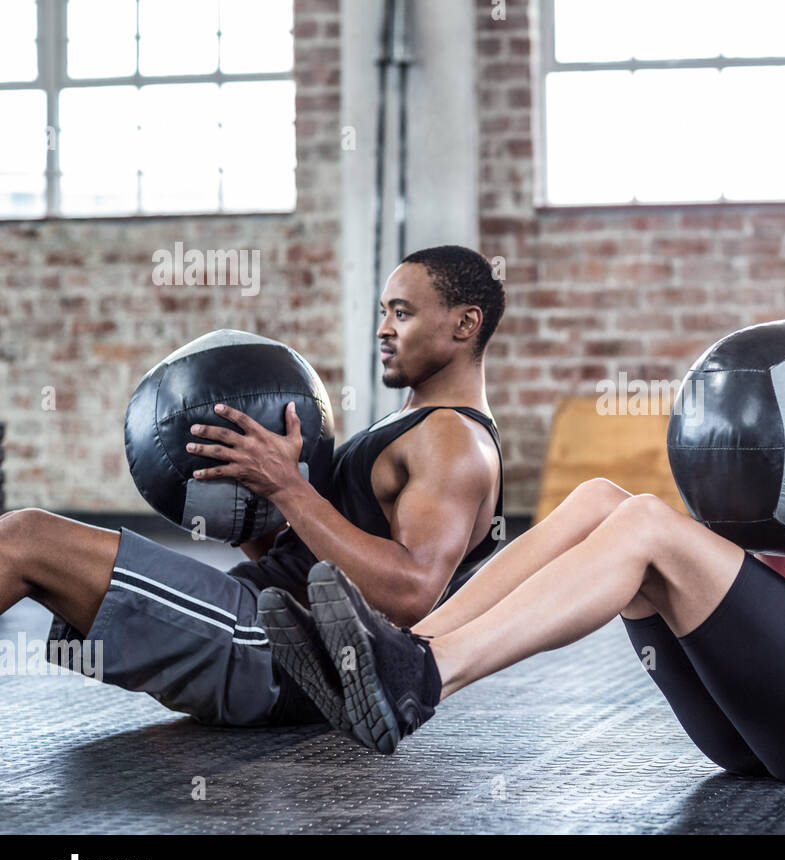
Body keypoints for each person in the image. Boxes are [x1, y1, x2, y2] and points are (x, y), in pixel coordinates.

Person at [267, 247, 785, 784]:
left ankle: (420, 679)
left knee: (647, 528)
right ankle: (408, 652)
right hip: (767, 722)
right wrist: (735, 529)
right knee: (601, 503)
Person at [0, 245, 505, 730]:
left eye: (403, 313)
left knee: (25, 539)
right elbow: (306, 559)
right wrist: (247, 499)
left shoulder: (453, 438)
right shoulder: (412, 424)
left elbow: (410, 591)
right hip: (261, 620)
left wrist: (287, 486)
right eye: (384, 312)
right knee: (39, 554)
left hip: (279, 653)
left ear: (466, 323)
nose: (384, 330)